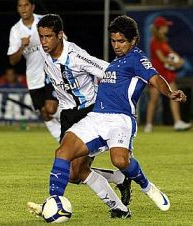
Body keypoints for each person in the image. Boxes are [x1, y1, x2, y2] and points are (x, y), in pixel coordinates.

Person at [39, 15, 187, 218]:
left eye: (121, 41)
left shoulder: (137, 59)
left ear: (133, 40)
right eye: (113, 41)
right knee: (63, 153)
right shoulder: (116, 62)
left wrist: (169, 92)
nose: (116, 45)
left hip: (120, 119)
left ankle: (146, 186)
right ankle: (54, 201)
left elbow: (155, 77)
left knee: (119, 161)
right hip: (96, 117)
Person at [27, 14, 132, 219]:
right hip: (68, 115)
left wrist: (120, 98)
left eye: (48, 36)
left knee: (68, 162)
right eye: (41, 36)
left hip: (90, 112)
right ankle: (119, 178)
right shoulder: (44, 51)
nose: (44, 41)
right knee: (75, 175)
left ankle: (118, 209)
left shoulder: (75, 56)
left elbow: (108, 71)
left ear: (60, 35)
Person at [7, 0, 61, 141]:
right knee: (44, 113)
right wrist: (22, 47)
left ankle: (71, 126)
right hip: (33, 76)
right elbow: (13, 60)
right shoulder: (16, 30)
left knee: (51, 109)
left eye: (26, 5)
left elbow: (63, 41)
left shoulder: (44, 21)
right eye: (20, 5)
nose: (23, 8)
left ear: (32, 7)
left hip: (51, 71)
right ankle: (61, 139)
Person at [144, 16, 191, 133]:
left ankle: (178, 122)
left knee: (174, 96)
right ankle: (148, 124)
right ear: (160, 27)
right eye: (165, 26)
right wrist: (176, 64)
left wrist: (179, 60)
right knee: (154, 100)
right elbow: (162, 59)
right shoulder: (154, 41)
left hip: (168, 73)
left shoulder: (163, 40)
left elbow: (171, 53)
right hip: (157, 74)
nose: (167, 28)